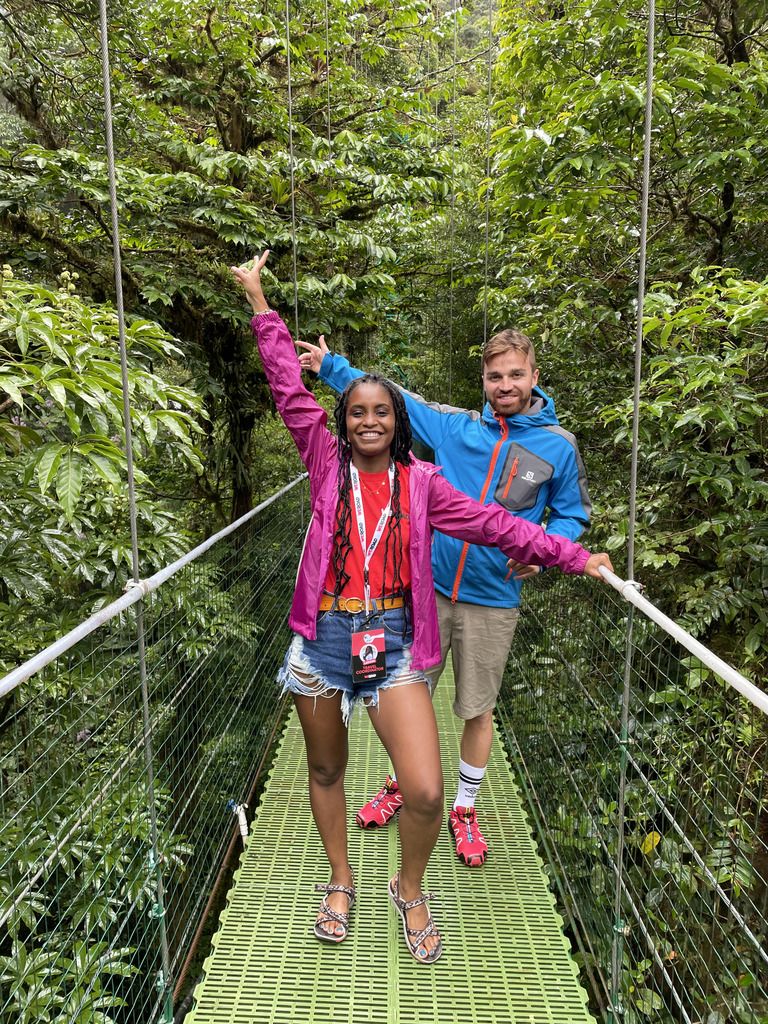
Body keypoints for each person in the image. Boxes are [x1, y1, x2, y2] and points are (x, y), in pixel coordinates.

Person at [231, 251, 612, 964]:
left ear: (397, 422)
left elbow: (497, 525)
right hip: (323, 640)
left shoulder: (424, 483)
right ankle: (340, 879)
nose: (369, 421)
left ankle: (408, 887)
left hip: (393, 638)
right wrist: (259, 302)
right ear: (343, 422)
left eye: (382, 412)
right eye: (357, 412)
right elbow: (287, 386)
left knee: (427, 792)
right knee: (324, 771)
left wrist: (573, 555)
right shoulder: (323, 460)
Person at [298, 327, 593, 867]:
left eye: (516, 375)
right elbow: (392, 404)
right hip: (425, 592)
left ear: (534, 376)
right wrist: (332, 367)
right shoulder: (457, 427)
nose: (505, 385)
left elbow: (571, 514)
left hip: (494, 595)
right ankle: (401, 784)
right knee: (408, 697)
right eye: (495, 376)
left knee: (477, 706)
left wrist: (553, 549)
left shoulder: (559, 445)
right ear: (483, 379)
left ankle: (464, 806)